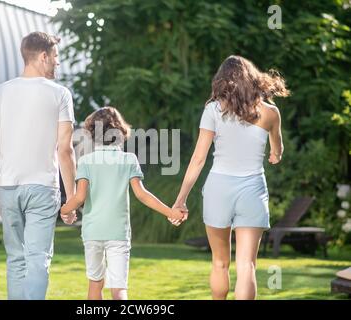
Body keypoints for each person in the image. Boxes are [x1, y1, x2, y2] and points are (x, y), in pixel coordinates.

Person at [0, 32, 77, 300]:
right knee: (38, 259)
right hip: (43, 188)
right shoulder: (60, 94)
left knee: (16, 259)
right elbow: (65, 150)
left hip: (7, 188)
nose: (57, 63)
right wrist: (72, 198)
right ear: (43, 57)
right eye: (55, 58)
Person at [172, 55, 289, 300]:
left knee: (219, 263)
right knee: (247, 266)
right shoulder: (270, 112)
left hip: (218, 190)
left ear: (222, 80)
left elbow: (198, 159)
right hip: (253, 191)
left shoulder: (213, 109)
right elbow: (277, 149)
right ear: (252, 78)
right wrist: (276, 154)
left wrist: (181, 199)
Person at [61, 107, 186, 300]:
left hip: (93, 233)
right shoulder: (128, 160)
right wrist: (170, 211)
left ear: (92, 133)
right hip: (118, 233)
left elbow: (79, 198)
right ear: (121, 131)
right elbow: (142, 195)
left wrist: (64, 210)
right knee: (119, 289)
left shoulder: (86, 161)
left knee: (95, 285)